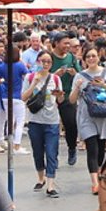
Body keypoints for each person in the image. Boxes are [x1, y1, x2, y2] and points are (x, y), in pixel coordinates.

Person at [71, 47, 106, 194]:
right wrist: (77, 88)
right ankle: (95, 183)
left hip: (104, 116)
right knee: (91, 148)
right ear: (84, 60)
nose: (91, 59)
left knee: (100, 148)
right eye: (88, 57)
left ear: (99, 57)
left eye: (94, 56)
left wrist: (103, 85)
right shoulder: (80, 76)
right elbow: (72, 99)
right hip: (86, 116)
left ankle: (98, 172)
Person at [22, 51, 64, 198]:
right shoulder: (30, 77)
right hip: (35, 121)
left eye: (48, 62)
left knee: (52, 153)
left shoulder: (56, 79)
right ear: (38, 62)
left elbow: (60, 101)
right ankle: (41, 177)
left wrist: (60, 96)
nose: (45, 64)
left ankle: (50, 185)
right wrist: (34, 83)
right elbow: (23, 97)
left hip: (52, 120)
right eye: (43, 61)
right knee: (38, 152)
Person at [50, 33, 81, 167]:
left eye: (69, 43)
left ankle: (72, 148)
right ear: (56, 43)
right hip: (51, 96)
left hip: (68, 96)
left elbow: (80, 75)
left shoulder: (71, 58)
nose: (67, 46)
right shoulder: (49, 57)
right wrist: (54, 75)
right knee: (51, 128)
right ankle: (52, 156)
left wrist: (75, 74)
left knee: (71, 124)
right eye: (65, 43)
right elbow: (41, 74)